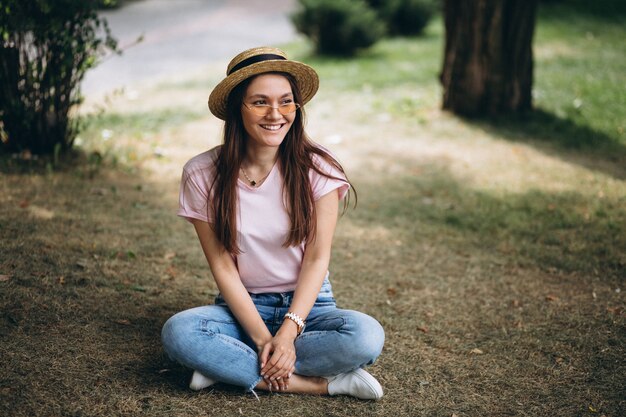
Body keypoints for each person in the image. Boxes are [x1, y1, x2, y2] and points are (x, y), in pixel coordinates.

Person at [161, 47, 385, 400]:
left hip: (310, 308)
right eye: (260, 102)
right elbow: (222, 264)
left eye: (286, 101)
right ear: (237, 108)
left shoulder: (320, 167)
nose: (276, 114)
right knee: (179, 333)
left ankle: (225, 368)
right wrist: (266, 339)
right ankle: (321, 385)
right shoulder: (201, 174)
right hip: (242, 308)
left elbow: (316, 258)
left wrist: (289, 332)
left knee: (366, 336)